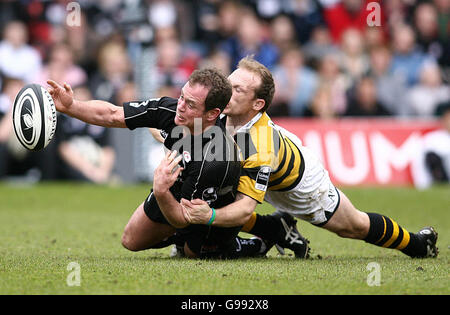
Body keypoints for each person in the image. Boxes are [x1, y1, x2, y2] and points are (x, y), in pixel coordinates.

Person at [180, 56, 438, 259]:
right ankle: (274, 228)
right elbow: (180, 129)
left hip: (302, 187)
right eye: (228, 84)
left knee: (353, 226)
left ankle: (416, 244)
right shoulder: (222, 111)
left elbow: (244, 208)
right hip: (263, 171)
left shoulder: (259, 144)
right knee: (213, 184)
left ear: (257, 104)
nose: (227, 92)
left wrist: (209, 217)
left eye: (237, 90)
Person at [46, 68, 272, 259]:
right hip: (179, 183)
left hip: (210, 206)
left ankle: (251, 242)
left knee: (192, 252)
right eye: (182, 96)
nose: (181, 106)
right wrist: (70, 106)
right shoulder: (172, 109)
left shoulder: (215, 158)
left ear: (212, 114)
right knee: (130, 240)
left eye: (191, 104)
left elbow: (185, 218)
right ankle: (180, 238)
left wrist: (161, 190)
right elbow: (113, 114)